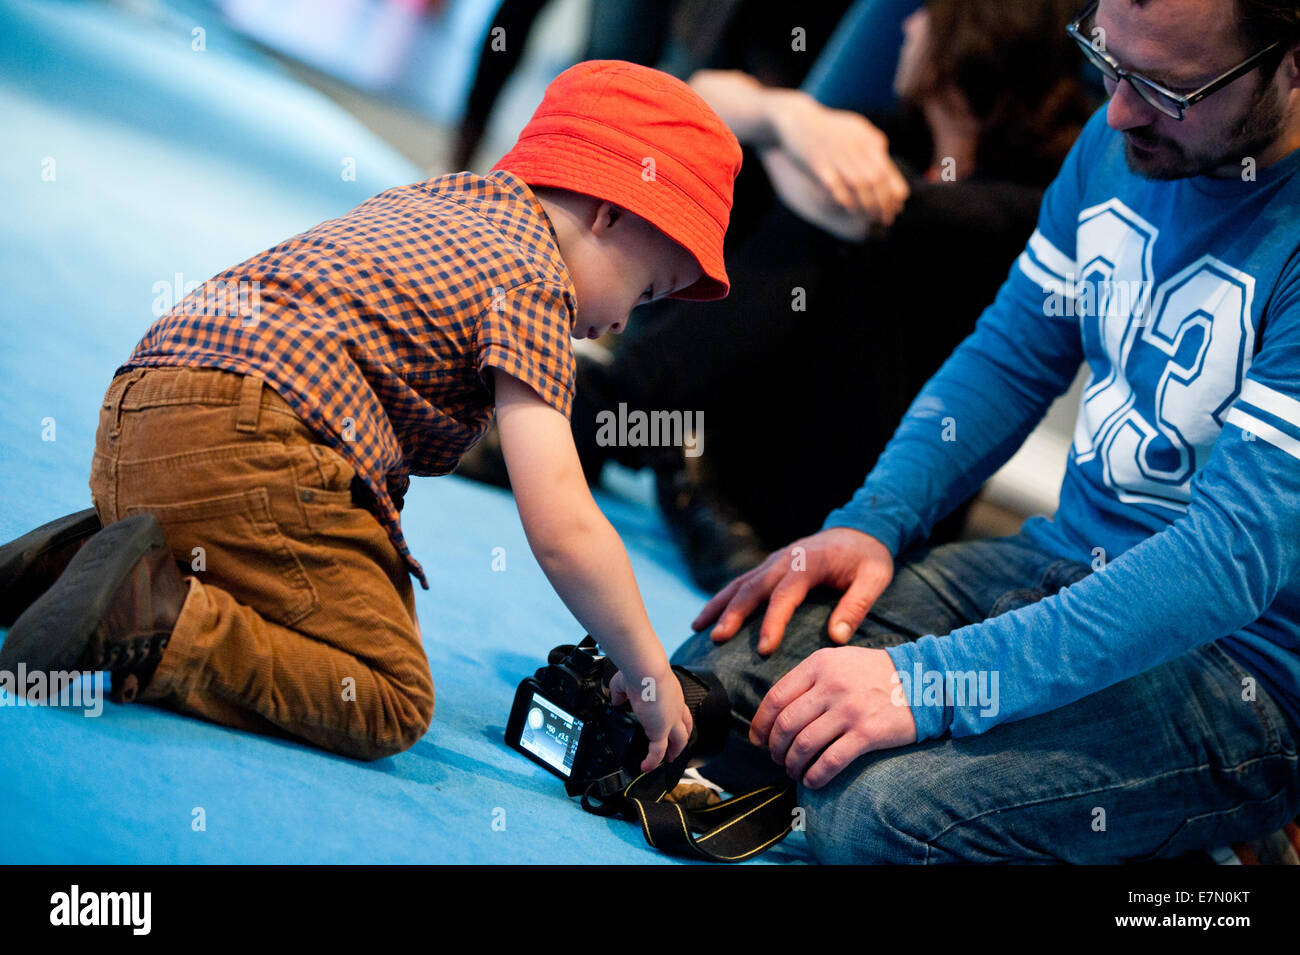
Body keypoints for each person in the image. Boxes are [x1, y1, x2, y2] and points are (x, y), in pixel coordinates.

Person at [674, 0, 1300, 863]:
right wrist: (873, 520)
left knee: (877, 818)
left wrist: (928, 685)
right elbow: (1008, 358)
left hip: (1240, 666)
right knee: (714, 683)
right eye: (1106, 61)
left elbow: (1230, 559)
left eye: (1166, 89)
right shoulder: (1117, 140)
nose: (1117, 111)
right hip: (1059, 565)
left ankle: (1208, 880)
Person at [0, 61, 743, 768]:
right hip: (261, 432)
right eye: (646, 294)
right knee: (386, 691)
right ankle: (151, 616)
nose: (621, 327)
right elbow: (564, 525)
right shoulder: (535, 285)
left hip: (141, 407)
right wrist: (648, 669)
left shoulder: (441, 199)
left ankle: (75, 566)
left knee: (286, 574)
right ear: (612, 213)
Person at [522, 0, 1095, 590]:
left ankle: (617, 417)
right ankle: (645, 434)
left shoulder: (1039, 191)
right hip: (791, 424)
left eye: (926, 13)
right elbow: (703, 96)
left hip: (863, 469)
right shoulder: (902, 137)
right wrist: (790, 119)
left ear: (978, 35)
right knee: (804, 224)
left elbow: (885, 212)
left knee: (814, 237)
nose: (907, 25)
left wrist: (779, 140)